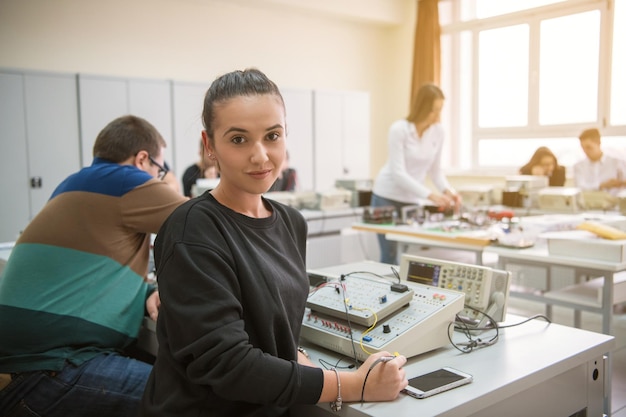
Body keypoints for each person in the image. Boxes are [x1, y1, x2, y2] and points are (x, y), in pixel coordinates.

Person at [139, 68, 408, 417]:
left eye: (272, 136)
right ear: (210, 146)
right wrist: (355, 384)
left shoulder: (291, 223)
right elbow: (228, 365)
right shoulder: (192, 230)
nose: (261, 155)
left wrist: (307, 365)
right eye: (238, 139)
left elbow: (276, 332)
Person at [0, 115, 188, 417]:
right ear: (142, 159)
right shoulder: (126, 181)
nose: (159, 177)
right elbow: (208, 224)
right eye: (160, 169)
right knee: (194, 398)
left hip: (25, 367)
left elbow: (87, 278)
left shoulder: (73, 183)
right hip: (48, 368)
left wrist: (148, 291)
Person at [370, 83, 461, 264]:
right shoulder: (399, 129)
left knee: (410, 255)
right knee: (389, 255)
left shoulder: (438, 132)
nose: (437, 115)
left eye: (440, 110)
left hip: (411, 200)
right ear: (422, 107)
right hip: (385, 196)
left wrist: (448, 191)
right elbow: (398, 173)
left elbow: (435, 170)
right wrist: (431, 196)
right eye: (434, 110)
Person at [574, 127, 626, 194]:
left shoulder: (617, 162)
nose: (585, 151)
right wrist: (603, 185)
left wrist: (621, 183)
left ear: (599, 143)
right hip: (587, 203)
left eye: (588, 147)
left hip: (614, 203)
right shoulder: (579, 166)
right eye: (582, 147)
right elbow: (580, 188)